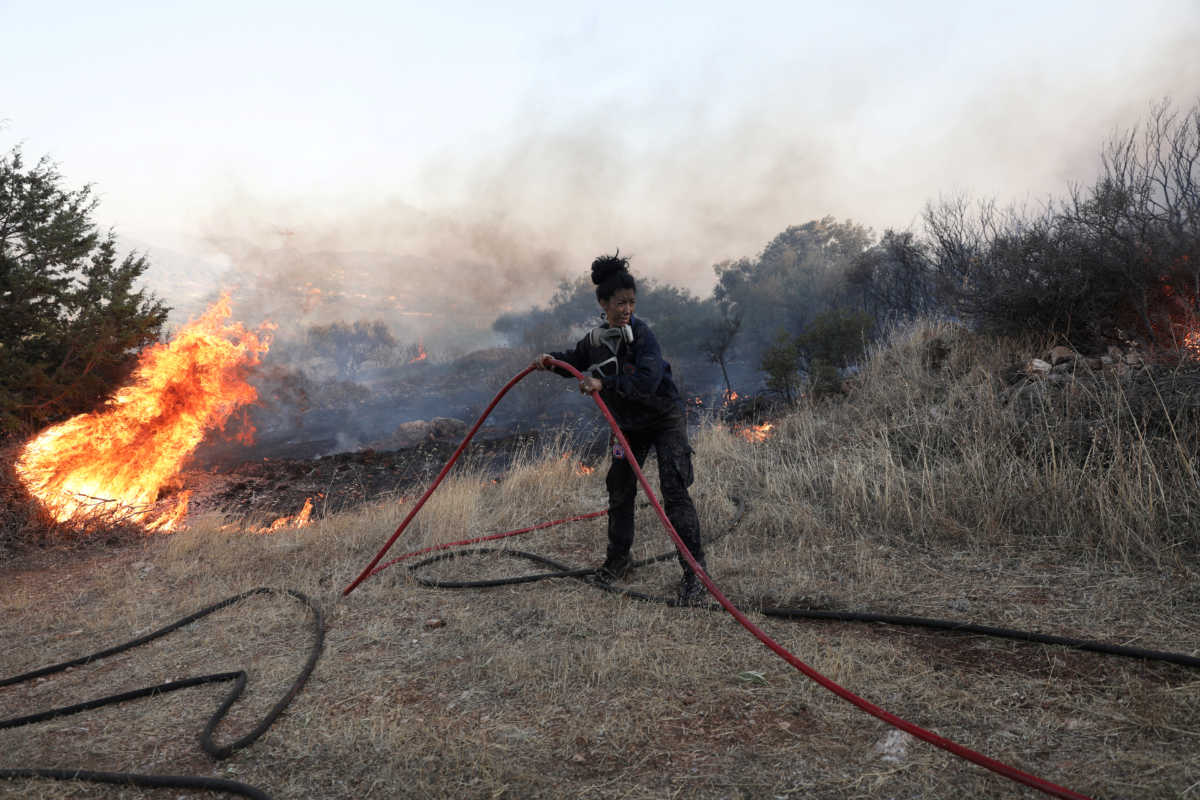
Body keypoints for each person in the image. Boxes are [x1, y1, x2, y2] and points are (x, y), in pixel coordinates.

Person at [532, 252, 708, 605]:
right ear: (603, 303)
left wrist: (603, 384)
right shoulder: (595, 341)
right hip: (629, 425)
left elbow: (647, 380)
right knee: (620, 489)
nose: (627, 309)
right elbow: (573, 361)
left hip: (662, 418)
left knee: (674, 495)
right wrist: (549, 361)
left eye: (632, 302)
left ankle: (695, 576)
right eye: (620, 302)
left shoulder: (643, 336)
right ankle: (618, 562)